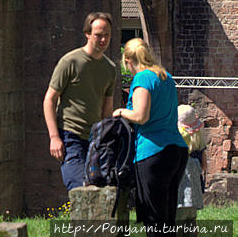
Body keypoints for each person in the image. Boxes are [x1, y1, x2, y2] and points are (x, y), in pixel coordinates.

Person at [113, 38, 188, 232]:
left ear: (128, 60)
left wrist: (121, 111)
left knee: (154, 219)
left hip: (153, 151)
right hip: (176, 150)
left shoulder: (142, 78)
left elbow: (140, 115)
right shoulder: (166, 77)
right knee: (167, 217)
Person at [43, 12, 117, 191]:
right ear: (87, 33)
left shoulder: (110, 69)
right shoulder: (70, 61)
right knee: (79, 188)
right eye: (99, 35)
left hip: (95, 139)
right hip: (70, 136)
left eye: (107, 35)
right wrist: (54, 137)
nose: (103, 39)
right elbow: (49, 100)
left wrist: (106, 141)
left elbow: (107, 110)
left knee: (100, 189)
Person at [176, 104, 206, 226]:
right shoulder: (200, 146)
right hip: (194, 195)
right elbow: (204, 167)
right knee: (191, 224)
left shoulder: (176, 148)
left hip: (178, 197)